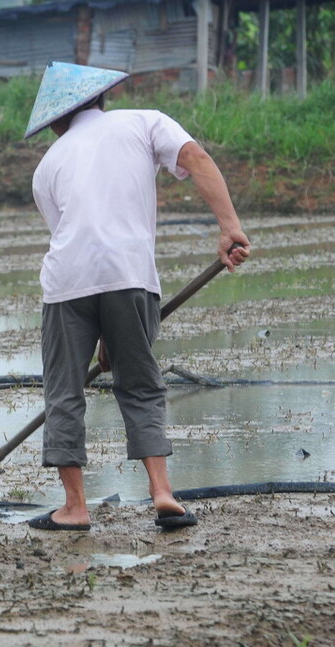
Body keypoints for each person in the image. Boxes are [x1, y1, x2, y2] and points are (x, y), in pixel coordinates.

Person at [23, 62, 251, 532]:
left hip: (69, 284)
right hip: (131, 276)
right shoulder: (145, 121)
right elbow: (197, 160)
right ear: (100, 99)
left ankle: (74, 508)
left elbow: (70, 237)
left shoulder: (48, 165)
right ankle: (163, 494)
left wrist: (101, 333)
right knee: (142, 385)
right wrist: (230, 227)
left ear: (56, 121)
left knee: (64, 391)